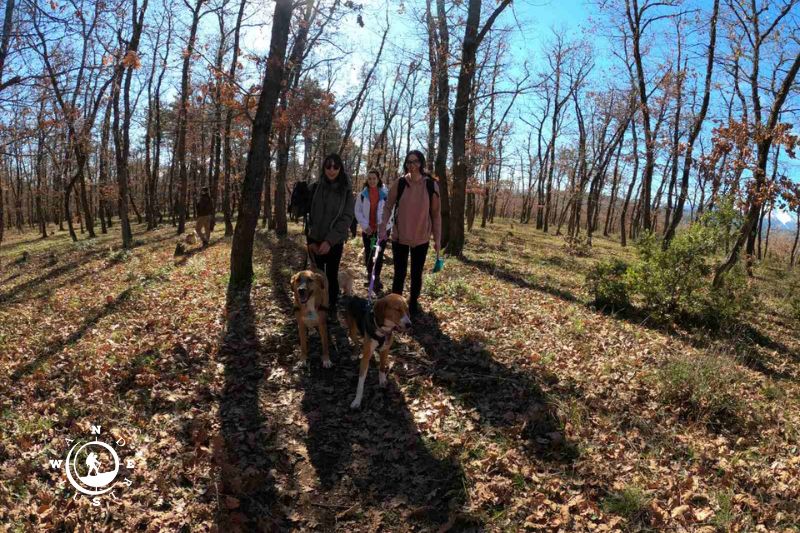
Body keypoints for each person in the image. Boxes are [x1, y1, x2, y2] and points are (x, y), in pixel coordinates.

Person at [378, 150, 441, 319]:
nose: (412, 165)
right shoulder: (400, 183)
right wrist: (383, 226)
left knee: (416, 274)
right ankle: (394, 306)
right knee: (399, 273)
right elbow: (388, 206)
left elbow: (435, 214)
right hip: (400, 237)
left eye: (416, 162)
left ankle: (413, 305)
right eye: (409, 162)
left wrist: (438, 239)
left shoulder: (431, 185)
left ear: (421, 163)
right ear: (406, 164)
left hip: (421, 238)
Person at [306, 153, 355, 315]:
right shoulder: (316, 187)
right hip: (316, 240)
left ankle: (331, 306)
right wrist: (311, 240)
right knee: (318, 275)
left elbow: (347, 218)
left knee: (331, 275)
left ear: (340, 168)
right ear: (324, 168)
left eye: (335, 166)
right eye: (328, 166)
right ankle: (319, 304)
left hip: (334, 241)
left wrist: (329, 241)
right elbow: (309, 216)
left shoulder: (346, 190)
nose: (332, 170)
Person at [355, 169, 390, 292]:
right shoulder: (362, 195)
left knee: (379, 254)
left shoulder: (385, 194)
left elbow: (390, 211)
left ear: (378, 179)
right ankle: (370, 276)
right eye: (369, 178)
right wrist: (365, 226)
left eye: (374, 178)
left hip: (382, 230)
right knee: (369, 254)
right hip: (368, 230)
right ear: (367, 180)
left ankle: (377, 278)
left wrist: (383, 226)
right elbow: (357, 211)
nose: (372, 181)